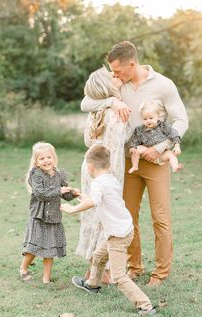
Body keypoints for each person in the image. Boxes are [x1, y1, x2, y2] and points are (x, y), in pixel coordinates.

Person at [81, 41, 188, 287]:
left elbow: (181, 119)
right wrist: (111, 102)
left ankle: (160, 273)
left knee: (160, 217)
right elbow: (85, 103)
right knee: (128, 217)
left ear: (132, 64)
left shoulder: (163, 84)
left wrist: (160, 147)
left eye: (118, 71)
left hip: (156, 161)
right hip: (127, 163)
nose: (114, 75)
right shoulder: (118, 85)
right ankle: (135, 267)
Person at [61, 145, 156, 316]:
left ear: (89, 168)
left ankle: (145, 305)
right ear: (108, 165)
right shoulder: (110, 179)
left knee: (119, 276)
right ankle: (92, 284)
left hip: (117, 235)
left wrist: (72, 209)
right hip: (124, 229)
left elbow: (94, 202)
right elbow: (98, 198)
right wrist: (80, 195)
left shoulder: (98, 183)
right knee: (98, 256)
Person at [76, 66, 132, 284]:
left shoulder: (94, 112)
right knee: (105, 216)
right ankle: (103, 272)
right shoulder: (117, 113)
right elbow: (115, 148)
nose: (116, 75)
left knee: (93, 215)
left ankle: (94, 268)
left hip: (89, 167)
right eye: (112, 76)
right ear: (105, 86)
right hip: (106, 169)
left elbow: (88, 142)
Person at [20, 142, 78, 283]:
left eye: (49, 157)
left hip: (53, 217)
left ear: (54, 158)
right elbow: (40, 194)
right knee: (35, 245)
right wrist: (58, 190)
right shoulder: (36, 175)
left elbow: (65, 196)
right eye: (42, 158)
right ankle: (23, 268)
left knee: (50, 249)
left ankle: (46, 279)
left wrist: (72, 193)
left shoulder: (60, 174)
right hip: (38, 216)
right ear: (36, 162)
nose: (46, 160)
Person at [128, 100, 183, 174]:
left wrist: (177, 145)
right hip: (147, 151)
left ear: (157, 116)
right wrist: (133, 147)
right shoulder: (140, 130)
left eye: (151, 118)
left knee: (171, 155)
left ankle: (175, 166)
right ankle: (135, 166)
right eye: (145, 119)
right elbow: (135, 139)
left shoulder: (163, 126)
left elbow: (173, 133)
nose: (148, 121)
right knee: (136, 149)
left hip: (162, 154)